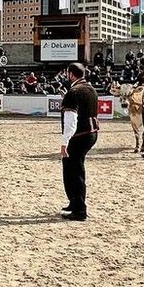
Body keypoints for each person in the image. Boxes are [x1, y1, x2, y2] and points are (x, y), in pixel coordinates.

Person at [59, 62, 99, 221]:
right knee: (74, 168)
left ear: (71, 74)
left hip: (78, 135)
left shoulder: (73, 92)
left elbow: (71, 121)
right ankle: (74, 202)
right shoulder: (91, 89)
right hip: (91, 133)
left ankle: (79, 209)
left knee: (74, 171)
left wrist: (64, 141)